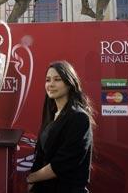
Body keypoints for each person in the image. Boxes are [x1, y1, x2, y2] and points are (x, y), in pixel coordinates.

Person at [26, 61, 94, 193]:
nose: (50, 84)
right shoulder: (51, 116)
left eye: (57, 80)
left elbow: (62, 164)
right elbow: (41, 156)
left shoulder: (79, 118)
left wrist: (31, 178)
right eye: (48, 80)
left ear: (69, 84)